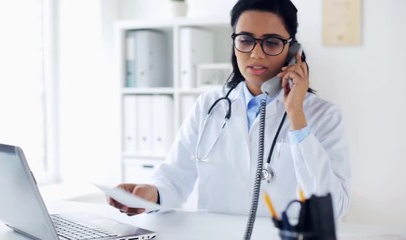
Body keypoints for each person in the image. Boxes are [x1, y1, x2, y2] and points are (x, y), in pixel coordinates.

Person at [108, 0, 351, 220]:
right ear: (234, 42)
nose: (256, 54)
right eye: (245, 40)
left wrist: (296, 115)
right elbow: (174, 177)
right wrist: (150, 194)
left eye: (272, 42)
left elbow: (333, 211)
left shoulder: (323, 116)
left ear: (292, 50)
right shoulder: (209, 106)